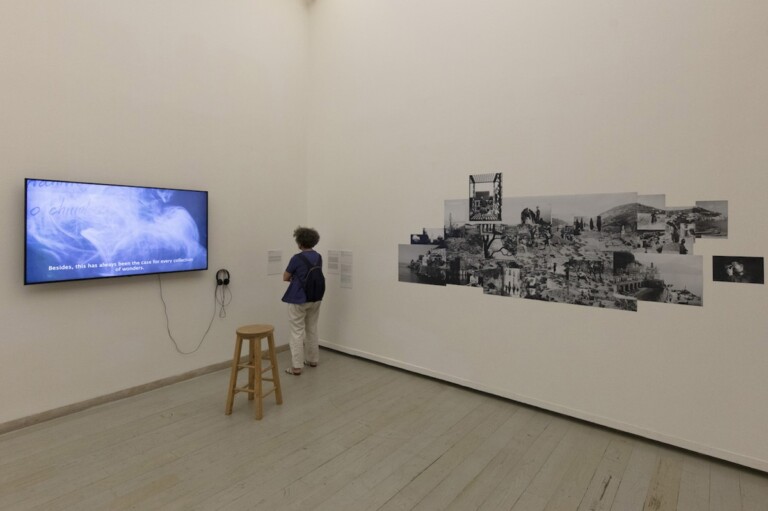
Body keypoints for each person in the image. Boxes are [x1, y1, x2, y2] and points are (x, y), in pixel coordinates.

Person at [282, 227, 322, 375]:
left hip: (298, 299)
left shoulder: (296, 258)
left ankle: (297, 367)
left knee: (296, 332)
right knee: (312, 328)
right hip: (316, 297)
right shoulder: (318, 256)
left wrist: (294, 278)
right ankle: (313, 360)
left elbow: (285, 277)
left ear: (299, 242)